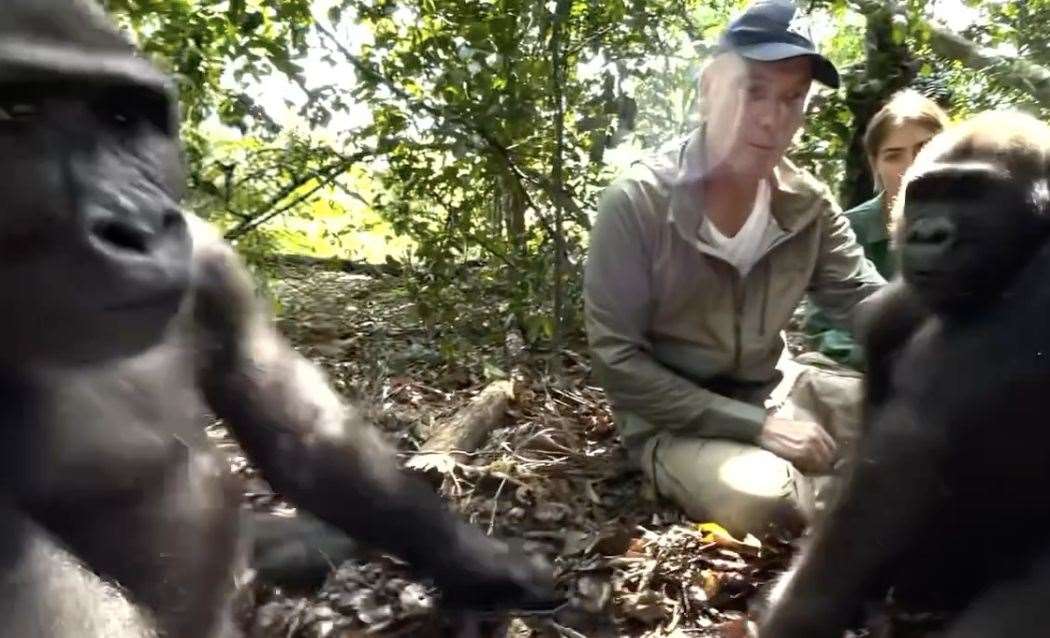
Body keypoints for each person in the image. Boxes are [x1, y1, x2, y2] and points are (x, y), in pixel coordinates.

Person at [583, 0, 885, 537]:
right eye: (755, 91)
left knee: (931, 428)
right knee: (770, 505)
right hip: (673, 420)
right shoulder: (639, 202)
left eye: (793, 99)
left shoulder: (806, 205)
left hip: (780, 389)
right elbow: (617, 361)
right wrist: (759, 428)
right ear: (708, 91)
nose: (773, 119)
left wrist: (967, 334)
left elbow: (869, 304)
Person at [804, 90, 951, 367]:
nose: (912, 165)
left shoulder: (977, 224)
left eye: (924, 148)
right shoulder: (849, 228)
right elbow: (823, 327)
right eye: (894, 156)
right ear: (875, 165)